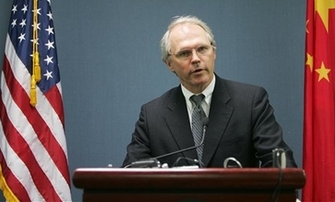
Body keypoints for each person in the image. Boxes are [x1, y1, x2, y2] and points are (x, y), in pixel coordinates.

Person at [122, 15, 297, 168]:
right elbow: (131, 174)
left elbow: (280, 165)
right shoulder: (153, 115)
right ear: (169, 64)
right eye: (184, 53)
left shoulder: (250, 102)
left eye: (202, 49)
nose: (196, 59)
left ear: (214, 52)